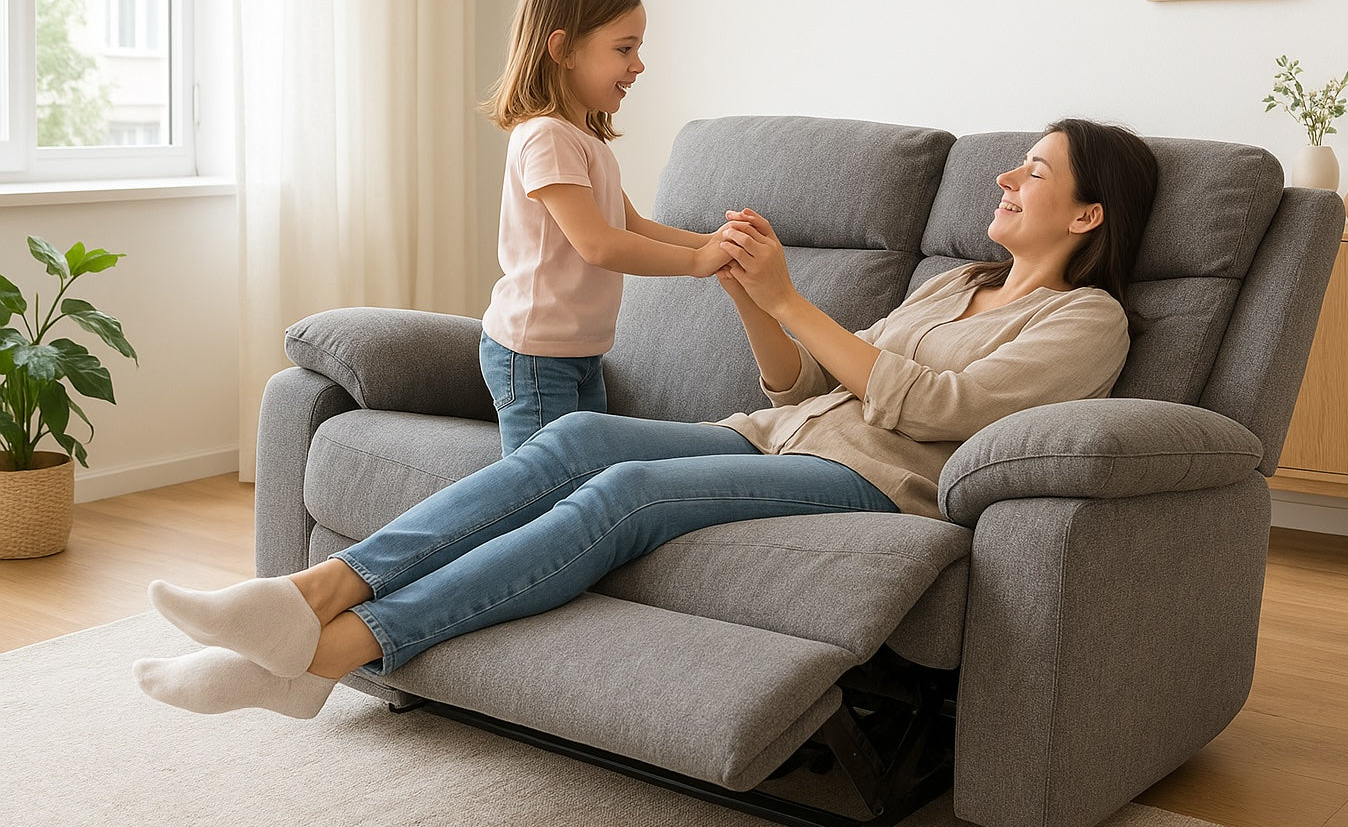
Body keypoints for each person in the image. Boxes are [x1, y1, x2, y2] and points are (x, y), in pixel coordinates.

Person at [134, 118, 1160, 721]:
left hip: (878, 487)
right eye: (1014, 162)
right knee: (573, 442)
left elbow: (939, 408)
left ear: (1086, 213)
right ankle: (307, 592)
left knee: (624, 489)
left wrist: (795, 297)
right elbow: (804, 390)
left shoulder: (1088, 320)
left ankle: (329, 653)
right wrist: (750, 299)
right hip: (784, 440)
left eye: (1034, 171)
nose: (1006, 176)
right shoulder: (955, 286)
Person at [478, 0, 730, 455]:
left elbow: (630, 224)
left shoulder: (585, 139)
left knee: (584, 475)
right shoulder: (547, 138)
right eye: (624, 49)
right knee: (542, 487)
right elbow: (598, 243)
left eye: (638, 49)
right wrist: (697, 263)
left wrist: (713, 243)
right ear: (563, 49)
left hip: (581, 351)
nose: (638, 65)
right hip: (535, 353)